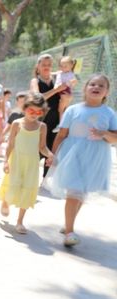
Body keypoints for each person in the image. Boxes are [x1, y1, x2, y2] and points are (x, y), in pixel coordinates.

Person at [43, 74, 117, 247]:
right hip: (72, 154)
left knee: (82, 192)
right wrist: (52, 155)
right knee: (74, 192)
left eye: (101, 85)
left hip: (96, 157)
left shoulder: (109, 113)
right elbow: (61, 135)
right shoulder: (73, 110)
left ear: (106, 92)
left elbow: (115, 138)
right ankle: (69, 232)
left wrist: (103, 134)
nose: (96, 87)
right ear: (85, 88)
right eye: (92, 84)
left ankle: (68, 223)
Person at [0, 92, 54, 234]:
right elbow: (10, 144)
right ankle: (5, 201)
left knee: (28, 188)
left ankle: (20, 221)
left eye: (38, 111)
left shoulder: (42, 126)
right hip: (16, 160)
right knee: (12, 183)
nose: (34, 114)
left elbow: (42, 147)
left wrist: (50, 154)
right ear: (25, 109)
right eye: (31, 110)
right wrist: (5, 161)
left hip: (32, 163)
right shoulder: (17, 123)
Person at [29, 53, 68, 176]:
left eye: (49, 65)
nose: (46, 67)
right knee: (35, 151)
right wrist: (57, 90)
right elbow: (38, 98)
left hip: (55, 121)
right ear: (38, 66)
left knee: (52, 150)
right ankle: (29, 178)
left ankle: (46, 180)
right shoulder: (35, 81)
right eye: (44, 65)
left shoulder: (58, 79)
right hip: (40, 121)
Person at [54, 56, 79, 125]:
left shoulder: (70, 74)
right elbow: (53, 73)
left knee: (61, 109)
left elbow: (74, 82)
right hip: (59, 90)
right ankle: (64, 123)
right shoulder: (60, 72)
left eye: (65, 66)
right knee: (62, 108)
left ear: (71, 66)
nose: (63, 68)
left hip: (64, 90)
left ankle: (61, 123)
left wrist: (69, 83)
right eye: (61, 66)